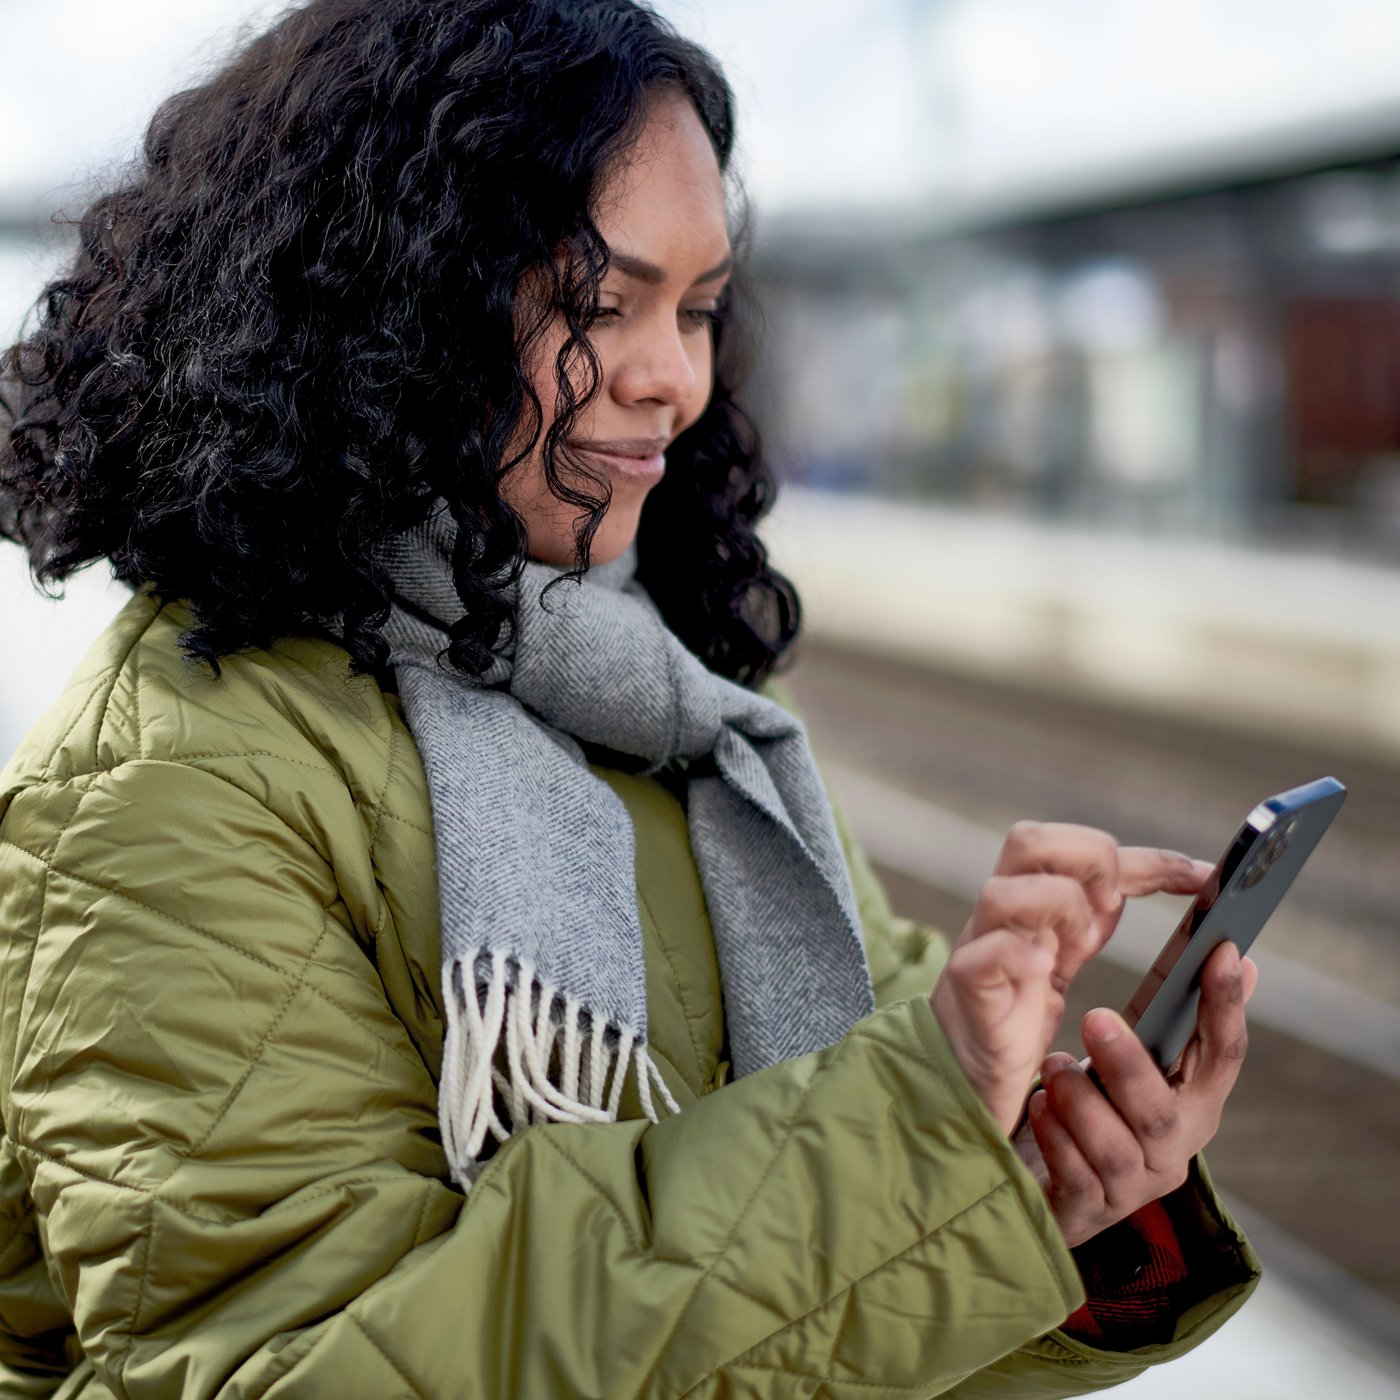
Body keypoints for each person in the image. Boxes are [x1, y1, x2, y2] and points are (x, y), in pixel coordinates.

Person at [0, 2, 1259, 1395]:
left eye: (701, 306)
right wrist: (921, 1141)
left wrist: (1049, 1186)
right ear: (385, 310)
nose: (673, 375)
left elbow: (829, 1329)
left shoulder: (693, 726)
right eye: (601, 304)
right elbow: (279, 1368)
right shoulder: (173, 784)